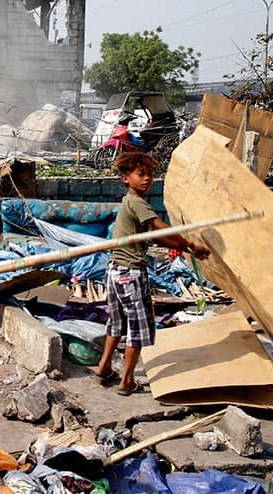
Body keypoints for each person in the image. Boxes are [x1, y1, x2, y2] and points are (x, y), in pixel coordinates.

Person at [94, 152, 210, 395]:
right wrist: (190, 243)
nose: (147, 179)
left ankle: (104, 367)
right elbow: (159, 226)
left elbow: (155, 236)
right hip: (131, 273)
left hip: (115, 271)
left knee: (116, 323)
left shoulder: (131, 203)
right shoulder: (137, 202)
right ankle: (126, 381)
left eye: (150, 175)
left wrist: (183, 247)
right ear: (126, 179)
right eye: (141, 174)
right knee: (137, 328)